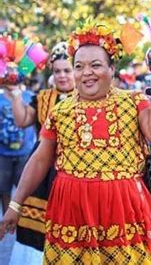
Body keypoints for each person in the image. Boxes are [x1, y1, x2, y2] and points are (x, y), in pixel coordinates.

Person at [0, 20, 151, 263]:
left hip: (123, 209)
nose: (86, 73)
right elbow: (40, 159)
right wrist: (15, 204)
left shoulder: (134, 101)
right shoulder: (61, 110)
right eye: (79, 66)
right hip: (71, 211)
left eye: (96, 65)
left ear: (111, 69)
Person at [7, 42, 75, 263]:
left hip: (72, 167)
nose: (62, 75)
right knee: (33, 228)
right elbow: (23, 120)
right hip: (41, 169)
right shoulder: (43, 96)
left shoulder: (87, 96)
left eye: (67, 70)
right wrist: (16, 95)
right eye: (57, 71)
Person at [0, 84, 36, 213]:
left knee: (26, 191)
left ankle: (23, 222)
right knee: (4, 189)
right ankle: (6, 221)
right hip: (2, 154)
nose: (12, 79)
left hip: (25, 153)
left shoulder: (30, 97)